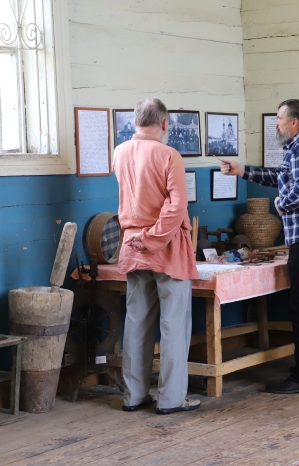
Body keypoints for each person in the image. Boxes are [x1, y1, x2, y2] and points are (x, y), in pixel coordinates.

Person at [220, 99, 299, 394]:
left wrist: (281, 205)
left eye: (278, 118)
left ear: (294, 122)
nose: (275, 123)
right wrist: (242, 170)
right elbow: (280, 177)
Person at [113, 97, 200, 415]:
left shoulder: (119, 152)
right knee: (174, 324)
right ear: (165, 123)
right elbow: (177, 207)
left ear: (135, 121)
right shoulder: (168, 155)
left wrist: (141, 238)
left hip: (131, 244)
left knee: (136, 322)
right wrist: (153, 239)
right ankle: (171, 399)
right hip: (165, 247)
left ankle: (133, 396)